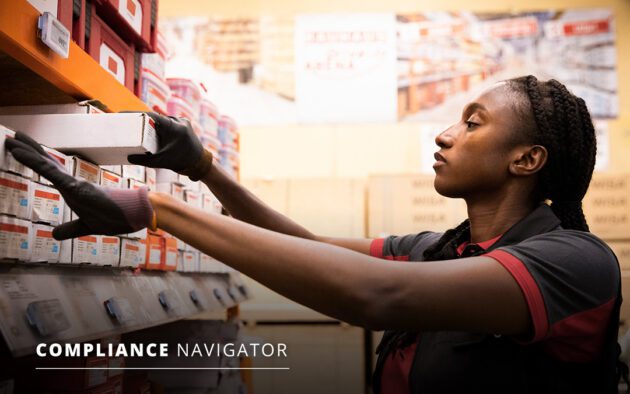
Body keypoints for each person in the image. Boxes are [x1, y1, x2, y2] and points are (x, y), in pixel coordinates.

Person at [5, 75, 627, 393]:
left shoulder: (574, 264)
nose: (444, 135)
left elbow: (377, 296)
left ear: (527, 160)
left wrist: (159, 209)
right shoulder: (439, 249)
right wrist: (204, 170)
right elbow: (309, 249)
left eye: (472, 123)